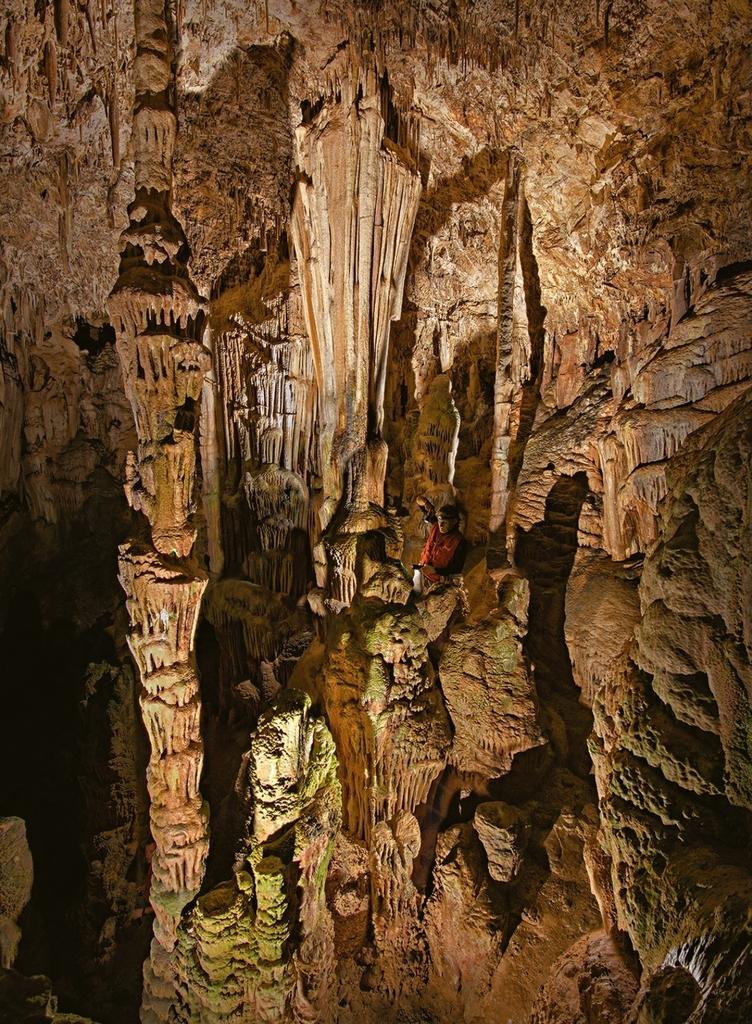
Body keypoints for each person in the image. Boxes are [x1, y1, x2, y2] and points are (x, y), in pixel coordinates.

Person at [414, 496, 468, 588]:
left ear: (454, 521)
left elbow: (456, 569)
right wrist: (427, 504)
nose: (441, 525)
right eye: (439, 521)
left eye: (445, 522)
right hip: (421, 573)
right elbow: (419, 500)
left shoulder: (459, 542)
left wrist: (435, 570)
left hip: (438, 582)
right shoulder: (436, 525)